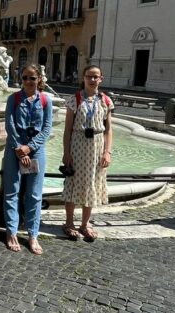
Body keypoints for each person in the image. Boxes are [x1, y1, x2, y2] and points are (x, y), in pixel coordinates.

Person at [3, 63, 52, 255]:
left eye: (32, 78)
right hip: (14, 149)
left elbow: (47, 128)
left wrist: (29, 147)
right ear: (21, 79)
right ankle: (11, 231)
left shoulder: (46, 100)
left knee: (34, 194)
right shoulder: (13, 98)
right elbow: (9, 124)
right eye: (25, 77)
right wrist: (19, 149)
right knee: (11, 191)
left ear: (39, 79)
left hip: (36, 150)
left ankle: (33, 234)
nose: (29, 81)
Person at [62, 65, 114, 241]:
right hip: (78, 145)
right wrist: (66, 152)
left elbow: (109, 129)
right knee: (73, 182)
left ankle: (85, 224)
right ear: (83, 78)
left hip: (97, 147)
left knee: (93, 182)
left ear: (101, 79)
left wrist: (107, 152)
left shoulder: (105, 100)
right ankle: (69, 223)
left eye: (95, 77)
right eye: (89, 76)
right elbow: (67, 129)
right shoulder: (75, 99)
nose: (92, 80)